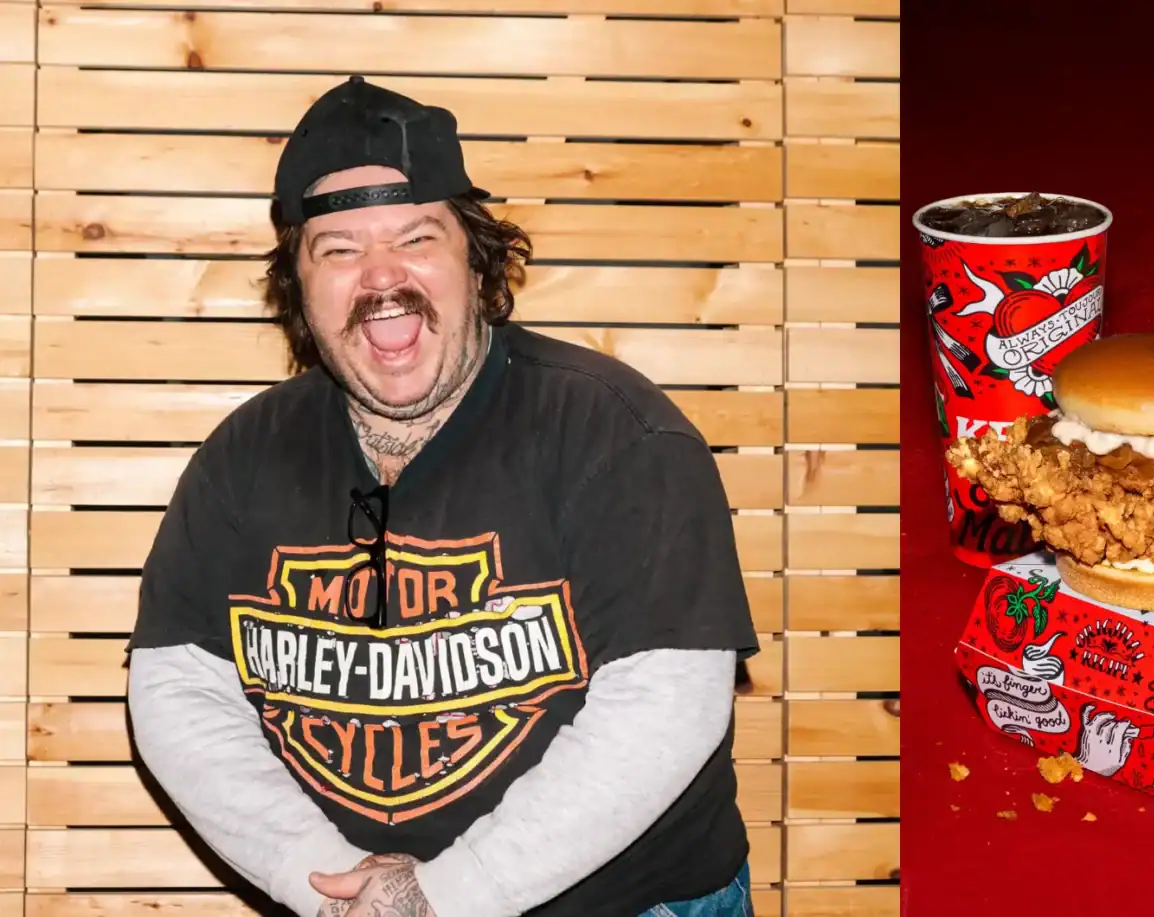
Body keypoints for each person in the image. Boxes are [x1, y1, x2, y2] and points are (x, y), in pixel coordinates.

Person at [124, 75, 761, 917]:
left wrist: (445, 897)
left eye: (417, 236)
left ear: (476, 257)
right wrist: (329, 885)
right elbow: (178, 687)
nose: (382, 275)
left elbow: (667, 700)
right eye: (339, 249)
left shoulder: (615, 431)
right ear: (301, 287)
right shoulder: (243, 457)